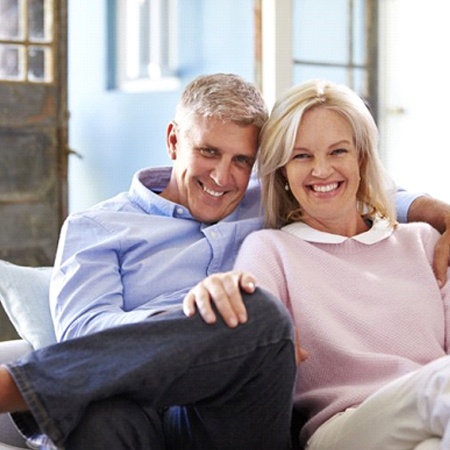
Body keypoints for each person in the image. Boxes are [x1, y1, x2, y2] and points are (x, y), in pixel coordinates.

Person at [0, 73, 449, 449]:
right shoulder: (95, 229)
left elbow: (339, 183)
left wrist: (436, 212)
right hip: (139, 405)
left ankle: (20, 386)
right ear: (175, 140)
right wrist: (197, 322)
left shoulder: (264, 198)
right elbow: (83, 334)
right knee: (101, 419)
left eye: (241, 161)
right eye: (208, 152)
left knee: (254, 312)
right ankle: (32, 389)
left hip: (231, 419)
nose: (222, 177)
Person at [185, 79, 450, 449]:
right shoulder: (270, 250)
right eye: (302, 156)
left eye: (337, 151)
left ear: (360, 158)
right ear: (282, 173)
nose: (322, 170)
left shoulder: (424, 242)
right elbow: (250, 335)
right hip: (345, 426)